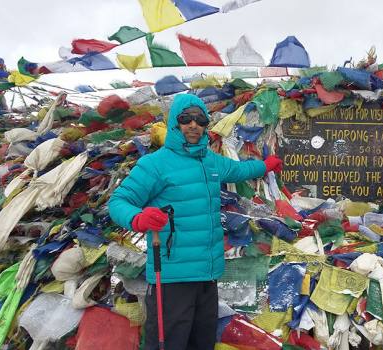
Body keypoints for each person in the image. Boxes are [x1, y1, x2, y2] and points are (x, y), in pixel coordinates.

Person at [108, 94, 283, 350]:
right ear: (174, 124)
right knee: (170, 343)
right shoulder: (154, 165)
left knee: (202, 341)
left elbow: (238, 171)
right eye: (186, 119)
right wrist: (137, 218)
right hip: (172, 277)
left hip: (207, 274)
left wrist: (264, 166)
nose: (193, 125)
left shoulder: (209, 161)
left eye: (199, 119)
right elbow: (118, 201)